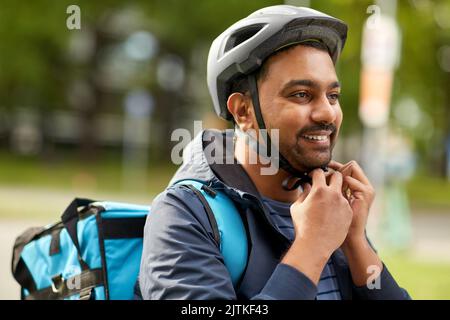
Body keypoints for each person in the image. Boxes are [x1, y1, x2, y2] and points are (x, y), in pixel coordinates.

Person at [138, 5, 410, 300]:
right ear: (243, 111)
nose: (327, 113)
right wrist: (312, 246)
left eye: (333, 95)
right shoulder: (182, 216)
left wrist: (356, 243)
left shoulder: (332, 207)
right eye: (302, 95)